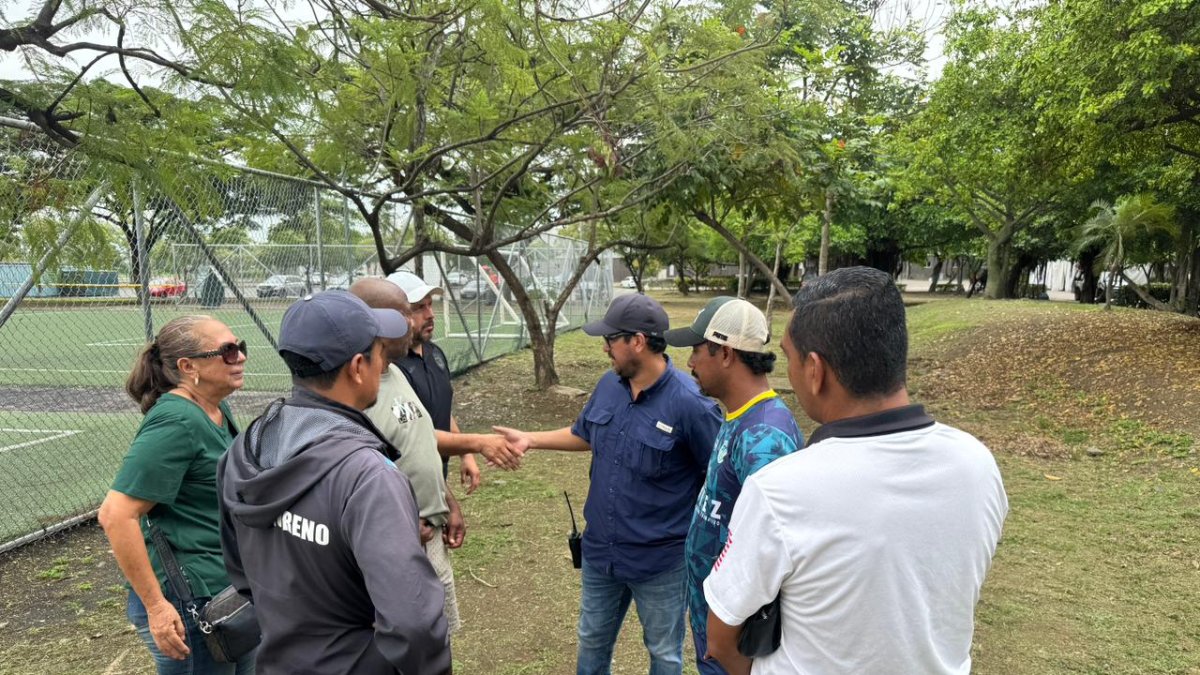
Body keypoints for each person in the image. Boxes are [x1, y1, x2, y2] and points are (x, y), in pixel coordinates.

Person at [703, 267, 1009, 675]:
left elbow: (722, 636)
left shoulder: (781, 490)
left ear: (815, 370)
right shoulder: (977, 465)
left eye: (788, 357)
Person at [218, 290, 450, 674]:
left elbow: (242, 574)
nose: (384, 365)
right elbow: (414, 624)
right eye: (380, 353)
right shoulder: (368, 476)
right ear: (358, 366)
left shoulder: (246, 447)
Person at [496, 293, 722, 675]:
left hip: (660, 563)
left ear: (637, 341)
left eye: (610, 339)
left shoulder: (692, 405)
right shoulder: (610, 384)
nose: (604, 348)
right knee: (592, 640)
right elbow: (585, 433)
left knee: (664, 652)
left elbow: (716, 480)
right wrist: (531, 439)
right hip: (602, 552)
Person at [349, 277, 523, 636]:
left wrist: (445, 500)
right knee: (400, 647)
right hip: (397, 544)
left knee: (438, 641)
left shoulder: (397, 372)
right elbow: (354, 475)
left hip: (430, 531)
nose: (423, 317)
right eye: (412, 310)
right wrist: (478, 444)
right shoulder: (354, 393)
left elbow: (416, 438)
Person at [98, 315, 254, 674]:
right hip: (189, 603)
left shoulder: (215, 408)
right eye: (228, 352)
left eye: (240, 347)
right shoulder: (176, 421)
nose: (241, 357)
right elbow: (116, 514)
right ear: (188, 367)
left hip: (225, 590)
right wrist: (156, 607)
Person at [662, 297, 803, 675]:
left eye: (695, 350)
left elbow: (773, 556)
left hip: (737, 647)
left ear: (725, 353)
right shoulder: (738, 418)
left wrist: (732, 659)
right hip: (718, 633)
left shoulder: (763, 437)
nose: (689, 363)